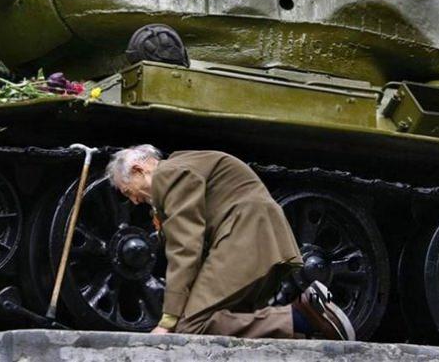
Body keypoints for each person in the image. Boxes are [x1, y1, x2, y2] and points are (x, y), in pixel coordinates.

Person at [105, 145, 355, 340]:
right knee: (227, 320)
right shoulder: (181, 167)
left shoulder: (168, 175)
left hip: (244, 238)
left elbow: (185, 249)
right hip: (255, 238)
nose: (134, 200)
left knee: (190, 326)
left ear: (138, 170)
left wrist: (168, 320)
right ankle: (306, 329)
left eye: (128, 191)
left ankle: (301, 317)